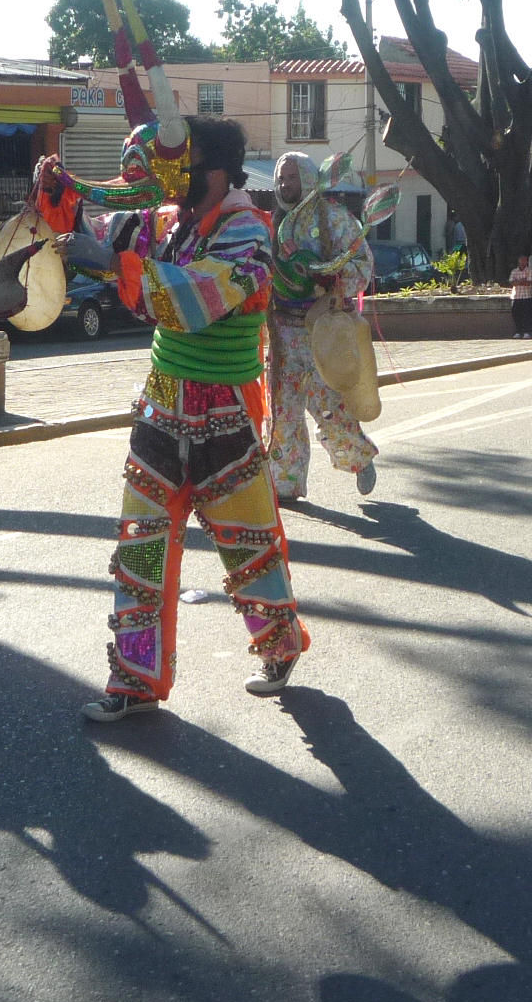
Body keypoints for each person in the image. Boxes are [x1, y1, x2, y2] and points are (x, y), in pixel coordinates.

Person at [60, 115, 308, 722]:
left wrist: (110, 263)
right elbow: (107, 223)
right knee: (140, 545)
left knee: (249, 544)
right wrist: (60, 197)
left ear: (215, 174)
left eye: (183, 171)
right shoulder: (173, 224)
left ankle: (279, 646)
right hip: (162, 401)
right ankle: (136, 680)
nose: (170, 185)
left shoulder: (251, 232)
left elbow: (198, 299)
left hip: (225, 408)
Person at [265, 151, 378, 502]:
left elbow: (362, 262)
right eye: (281, 178)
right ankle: (285, 482)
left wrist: (332, 280)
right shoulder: (272, 223)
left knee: (329, 406)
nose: (285, 184)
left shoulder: (334, 219)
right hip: (282, 333)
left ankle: (358, 458)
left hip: (321, 332)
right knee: (282, 410)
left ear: (311, 179)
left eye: (292, 177)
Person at [508, 250, 532, 338]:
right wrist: (522, 281)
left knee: (527, 314)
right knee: (516, 314)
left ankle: (527, 331)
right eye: (521, 260)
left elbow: (529, 282)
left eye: (525, 260)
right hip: (516, 296)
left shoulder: (529, 271)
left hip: (527, 296)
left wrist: (518, 281)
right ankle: (518, 331)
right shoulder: (514, 271)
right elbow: (512, 282)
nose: (523, 262)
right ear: (518, 261)